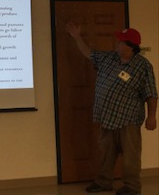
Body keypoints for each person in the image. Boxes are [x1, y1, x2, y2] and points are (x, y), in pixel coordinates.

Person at [65, 22, 158, 195]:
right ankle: (103, 182)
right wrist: (77, 37)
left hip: (128, 120)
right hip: (106, 117)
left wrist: (152, 116)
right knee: (105, 154)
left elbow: (151, 93)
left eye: (121, 42)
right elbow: (88, 53)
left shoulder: (143, 66)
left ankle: (132, 187)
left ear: (131, 46)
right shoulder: (109, 58)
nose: (117, 44)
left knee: (131, 157)